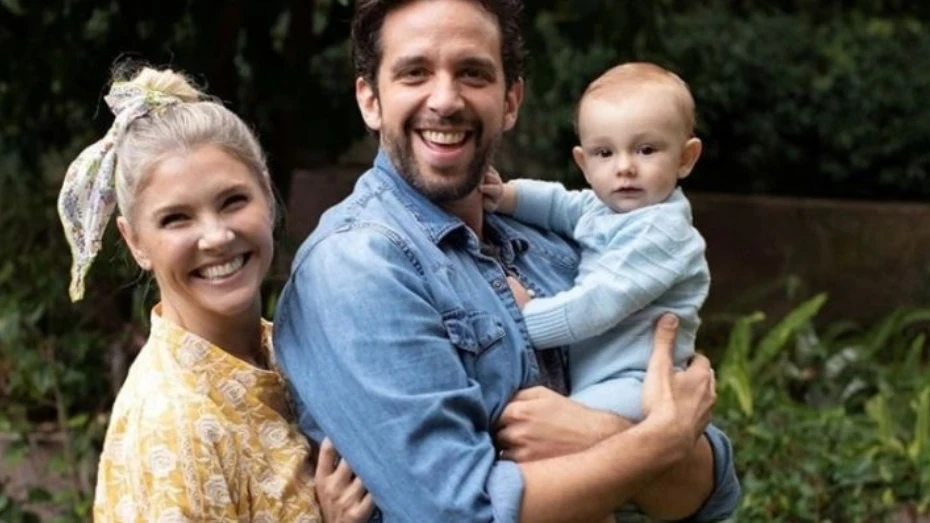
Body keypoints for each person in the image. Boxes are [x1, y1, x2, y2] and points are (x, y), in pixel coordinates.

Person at [274, 0, 740, 521]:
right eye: (415, 73)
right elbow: (459, 511)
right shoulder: (358, 265)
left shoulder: (550, 244)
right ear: (370, 99)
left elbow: (708, 493)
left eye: (473, 72)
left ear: (511, 99)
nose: (446, 100)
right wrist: (657, 445)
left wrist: (596, 434)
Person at [58, 65, 373, 522]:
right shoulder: (170, 424)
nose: (216, 236)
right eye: (176, 219)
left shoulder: (287, 346)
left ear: (267, 194)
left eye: (233, 201)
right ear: (135, 242)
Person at [480, 62, 708, 422]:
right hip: (599, 377)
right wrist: (506, 195)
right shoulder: (608, 210)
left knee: (553, 430)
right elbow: (562, 204)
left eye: (646, 150)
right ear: (584, 164)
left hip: (638, 383)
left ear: (685, 158)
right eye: (605, 153)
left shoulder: (662, 233)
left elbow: (600, 302)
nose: (624, 167)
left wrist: (525, 318)